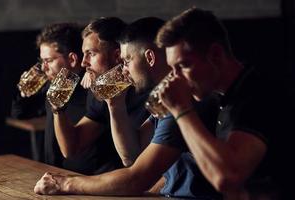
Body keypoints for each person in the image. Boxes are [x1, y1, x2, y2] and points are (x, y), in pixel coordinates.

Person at [34, 17, 221, 199]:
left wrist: (65, 184)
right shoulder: (167, 98)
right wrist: (115, 105)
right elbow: (132, 156)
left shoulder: (183, 99)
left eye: (126, 61)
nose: (123, 69)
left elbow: (136, 178)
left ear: (149, 57)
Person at [156, 7, 294, 199]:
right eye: (172, 69)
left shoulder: (257, 93)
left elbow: (227, 178)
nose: (175, 78)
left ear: (215, 55)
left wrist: (181, 109)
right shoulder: (225, 98)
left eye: (183, 66)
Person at [48, 17, 152, 174]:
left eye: (91, 54)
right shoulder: (107, 90)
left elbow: (139, 166)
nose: (83, 63)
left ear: (117, 55)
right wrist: (58, 109)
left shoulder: (153, 91)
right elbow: (71, 148)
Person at [12, 23, 95, 174]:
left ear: (72, 59)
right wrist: (24, 92)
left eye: (48, 60)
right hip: (54, 173)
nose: (43, 68)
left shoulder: (92, 89)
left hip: (83, 181)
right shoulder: (51, 84)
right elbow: (20, 114)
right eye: (41, 61)